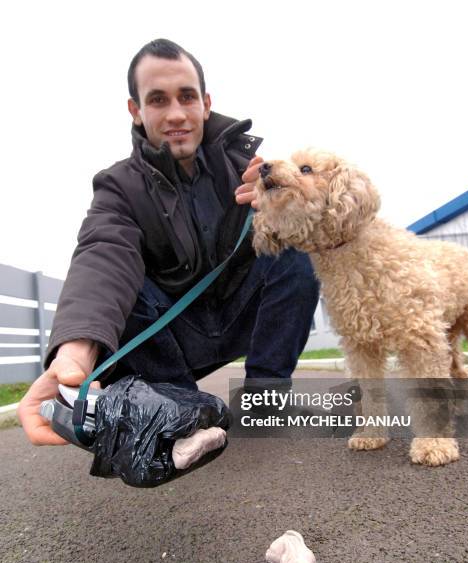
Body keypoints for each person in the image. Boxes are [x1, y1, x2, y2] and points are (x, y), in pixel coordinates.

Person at [17, 38, 320, 446]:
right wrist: (73, 352)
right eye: (158, 100)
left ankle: (265, 400)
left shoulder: (251, 172)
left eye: (187, 97)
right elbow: (102, 257)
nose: (176, 114)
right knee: (126, 287)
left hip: (238, 319)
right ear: (136, 111)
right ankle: (182, 415)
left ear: (206, 104)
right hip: (174, 341)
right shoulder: (118, 187)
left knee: (295, 250)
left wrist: (279, 210)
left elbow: (316, 221)